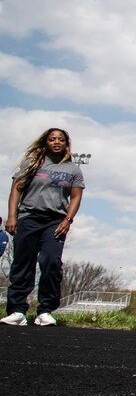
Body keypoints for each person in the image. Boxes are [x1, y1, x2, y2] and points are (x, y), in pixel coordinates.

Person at [1, 128, 85, 327]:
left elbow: (76, 197)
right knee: (23, 263)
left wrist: (68, 220)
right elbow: (16, 190)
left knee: (51, 261)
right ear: (45, 142)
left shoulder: (73, 169)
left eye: (60, 140)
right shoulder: (32, 163)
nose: (56, 142)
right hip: (29, 217)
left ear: (66, 144)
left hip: (55, 221)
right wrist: (12, 216)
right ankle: (17, 310)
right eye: (52, 139)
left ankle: (45, 310)